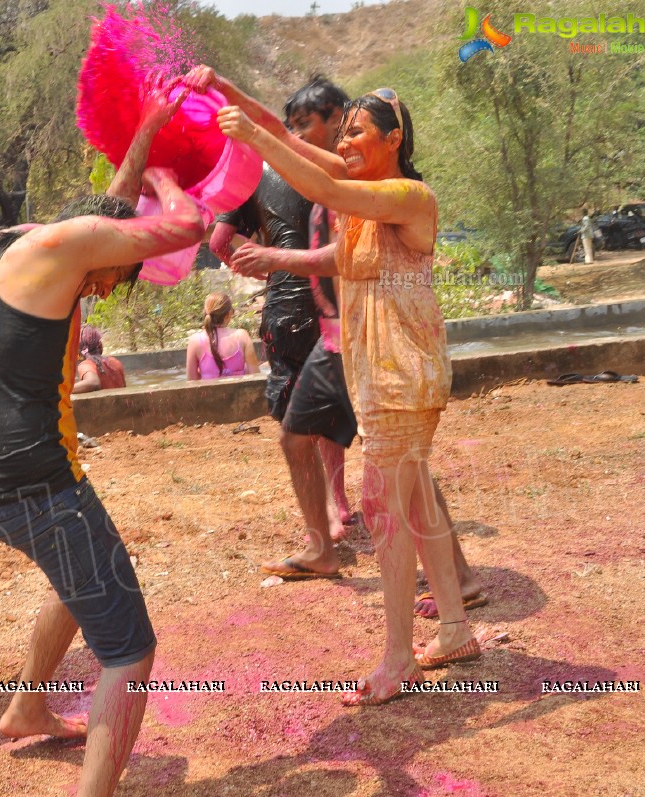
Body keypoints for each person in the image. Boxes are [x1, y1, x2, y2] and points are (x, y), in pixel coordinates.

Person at [187, 66, 478, 705]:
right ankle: (454, 627)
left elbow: (311, 177)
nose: (345, 143)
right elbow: (286, 140)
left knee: (382, 507)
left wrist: (254, 142)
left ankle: (397, 657)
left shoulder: (406, 196)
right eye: (342, 133)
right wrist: (224, 91)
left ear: (395, 137)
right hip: (378, 370)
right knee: (414, 498)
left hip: (405, 373)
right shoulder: (358, 187)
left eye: (358, 132)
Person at [0, 86, 204, 797]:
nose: (106, 291)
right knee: (129, 650)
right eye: (114, 278)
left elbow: (105, 214)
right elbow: (187, 224)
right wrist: (170, 173)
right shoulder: (70, 247)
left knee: (76, 579)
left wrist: (148, 126)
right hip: (38, 488)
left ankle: (26, 706)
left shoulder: (18, 244)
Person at [210, 75, 360, 557]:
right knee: (323, 410)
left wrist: (260, 262)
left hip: (286, 305)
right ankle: (336, 504)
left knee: (300, 413)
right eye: (293, 126)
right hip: (332, 305)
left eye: (303, 125)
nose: (297, 135)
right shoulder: (342, 170)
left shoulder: (261, 168)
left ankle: (327, 519)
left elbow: (216, 240)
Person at [186, 292, 259, 379]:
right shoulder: (242, 336)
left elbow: (191, 381)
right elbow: (255, 376)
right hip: (238, 392)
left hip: (209, 392)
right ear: (229, 314)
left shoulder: (195, 341)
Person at [74, 324, 126, 393]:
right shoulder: (115, 362)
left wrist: (63, 391)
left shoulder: (86, 365)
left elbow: (93, 383)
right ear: (100, 345)